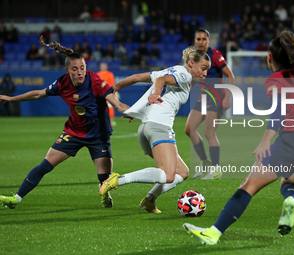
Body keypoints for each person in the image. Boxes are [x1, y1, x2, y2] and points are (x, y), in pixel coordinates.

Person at [183, 30, 294, 245]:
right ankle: (290, 200)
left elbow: (279, 111)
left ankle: (214, 233)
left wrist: (266, 140)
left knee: (248, 185)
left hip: (293, 141)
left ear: (270, 58)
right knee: (290, 182)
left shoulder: (275, 79)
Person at [0, 36, 130, 209]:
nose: (79, 72)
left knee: (104, 179)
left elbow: (117, 104)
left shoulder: (96, 82)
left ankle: (104, 194)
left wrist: (132, 112)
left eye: (82, 68)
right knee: (46, 164)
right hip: (73, 133)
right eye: (75, 69)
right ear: (67, 70)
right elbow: (39, 93)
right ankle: (16, 198)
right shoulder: (62, 83)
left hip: (98, 135)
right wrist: (11, 99)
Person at [99, 46, 211, 213]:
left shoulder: (170, 70)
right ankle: (117, 180)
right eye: (203, 68)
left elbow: (137, 77)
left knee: (182, 172)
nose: (205, 74)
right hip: (159, 126)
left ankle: (149, 201)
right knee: (168, 175)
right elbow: (161, 81)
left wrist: (115, 88)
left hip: (146, 127)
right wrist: (155, 93)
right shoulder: (184, 74)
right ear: (192, 63)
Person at [184, 28, 235, 179]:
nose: (201, 42)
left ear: (208, 41)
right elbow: (193, 79)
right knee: (189, 129)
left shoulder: (215, 55)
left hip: (216, 97)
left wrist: (228, 98)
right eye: (198, 39)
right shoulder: (194, 57)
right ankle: (204, 162)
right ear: (195, 41)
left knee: (209, 133)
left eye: (203, 39)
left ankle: (216, 169)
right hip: (203, 98)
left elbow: (230, 76)